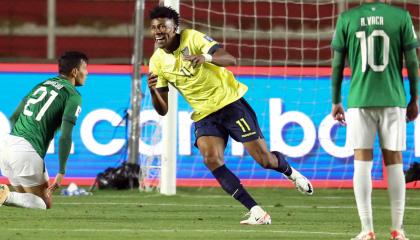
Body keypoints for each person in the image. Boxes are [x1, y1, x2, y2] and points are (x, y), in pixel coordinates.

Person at [147, 6, 313, 225]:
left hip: (230, 103)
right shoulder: (157, 61)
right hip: (205, 114)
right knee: (211, 159)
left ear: (175, 28)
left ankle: (289, 171)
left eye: (163, 27)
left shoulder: (193, 38)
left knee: (265, 160)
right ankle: (256, 211)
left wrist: (204, 57)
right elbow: (163, 110)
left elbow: (230, 59)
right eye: (154, 28)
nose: (158, 32)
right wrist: (152, 90)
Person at [331, 1, 418, 239]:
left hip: (360, 99)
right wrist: (415, 98)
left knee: (362, 161)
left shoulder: (347, 18)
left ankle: (367, 230)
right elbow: (412, 61)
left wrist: (336, 100)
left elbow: (338, 64)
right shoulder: (401, 17)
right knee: (395, 161)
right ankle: (398, 230)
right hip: (393, 98)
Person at [0, 51, 88, 209]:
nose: (87, 73)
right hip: (26, 151)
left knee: (25, 201)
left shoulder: (42, 84)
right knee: (44, 203)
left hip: (7, 145)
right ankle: (5, 194)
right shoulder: (73, 95)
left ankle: (6, 196)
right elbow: (65, 137)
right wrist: (61, 172)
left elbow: (13, 118)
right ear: (75, 71)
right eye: (85, 68)